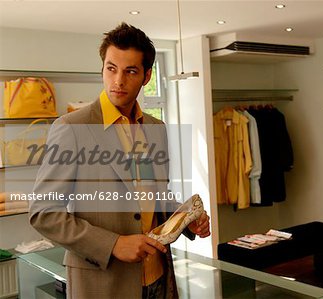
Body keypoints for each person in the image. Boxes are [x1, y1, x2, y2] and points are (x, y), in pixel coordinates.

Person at [29, 22, 210, 299]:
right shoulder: (71, 127)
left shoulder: (155, 128)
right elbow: (44, 213)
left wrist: (186, 220)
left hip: (160, 277)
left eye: (130, 71)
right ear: (102, 68)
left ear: (147, 76)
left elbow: (153, 196)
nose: (118, 81)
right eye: (111, 69)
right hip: (104, 284)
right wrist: (113, 244)